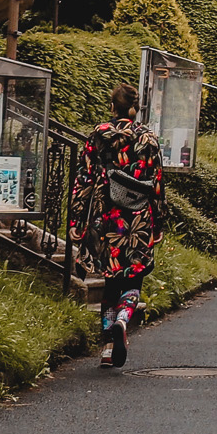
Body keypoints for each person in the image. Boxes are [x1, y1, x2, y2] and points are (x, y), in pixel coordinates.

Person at [68, 82, 164, 368]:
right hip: (137, 217)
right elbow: (156, 183)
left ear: (112, 106)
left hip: (104, 214)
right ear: (136, 108)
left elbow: (83, 179)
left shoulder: (98, 135)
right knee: (133, 277)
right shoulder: (148, 138)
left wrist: (76, 219)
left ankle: (108, 348)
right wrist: (158, 222)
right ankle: (123, 320)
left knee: (110, 279)